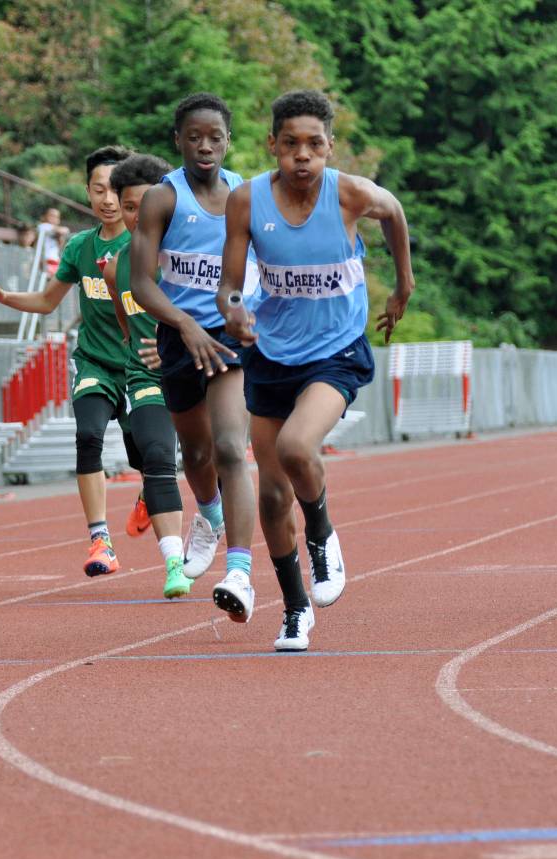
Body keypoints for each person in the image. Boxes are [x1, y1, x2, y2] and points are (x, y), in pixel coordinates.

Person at [218, 89, 414, 651]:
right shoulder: (246, 200)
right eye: (290, 144)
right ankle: (295, 609)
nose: (302, 156)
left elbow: (394, 213)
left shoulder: (350, 193)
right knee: (272, 497)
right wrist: (235, 312)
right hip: (271, 351)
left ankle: (323, 536)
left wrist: (403, 284)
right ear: (272, 144)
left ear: (329, 147)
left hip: (336, 348)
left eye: (314, 145)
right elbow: (230, 287)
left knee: (297, 448)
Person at [0, 146, 193, 598]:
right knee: (88, 434)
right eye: (99, 190)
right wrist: (4, 297)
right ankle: (101, 541)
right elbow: (47, 301)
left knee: (150, 457)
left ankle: (148, 493)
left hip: (142, 364)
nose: (108, 200)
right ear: (88, 193)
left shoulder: (153, 247)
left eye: (116, 192)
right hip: (96, 363)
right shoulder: (81, 247)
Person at [130, 93, 259, 623]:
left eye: (215, 138)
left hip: (229, 337)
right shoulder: (162, 198)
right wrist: (184, 325)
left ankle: (240, 571)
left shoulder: (246, 196)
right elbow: (141, 283)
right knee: (197, 455)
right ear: (178, 141)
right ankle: (209, 517)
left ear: (228, 142)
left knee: (230, 448)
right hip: (179, 339)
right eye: (194, 137)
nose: (205, 146)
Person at [100, 151, 194, 590]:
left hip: (194, 371)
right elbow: (125, 319)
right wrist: (141, 348)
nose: (137, 215)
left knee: (207, 461)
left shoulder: (189, 256)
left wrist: (174, 342)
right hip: (145, 377)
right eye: (128, 206)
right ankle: (175, 564)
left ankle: (213, 522)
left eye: (145, 205)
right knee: (157, 458)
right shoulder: (116, 267)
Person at [37, 206, 70, 276]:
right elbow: (64, 230)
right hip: (44, 260)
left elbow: (60, 246)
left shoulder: (56, 232)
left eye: (56, 217)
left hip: (55, 261)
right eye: (51, 215)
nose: (54, 218)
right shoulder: (43, 226)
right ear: (44, 217)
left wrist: (60, 238)